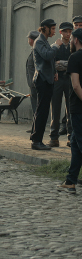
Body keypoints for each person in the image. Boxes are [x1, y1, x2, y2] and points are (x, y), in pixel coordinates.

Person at [59, 28, 82, 193]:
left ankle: (71, 180)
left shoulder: (74, 57)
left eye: (72, 37)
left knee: (80, 143)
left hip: (78, 108)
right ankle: (70, 181)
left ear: (76, 40)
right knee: (74, 144)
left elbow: (75, 85)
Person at [30, 18, 58, 151]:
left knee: (42, 110)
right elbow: (47, 56)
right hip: (42, 80)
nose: (54, 31)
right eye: (52, 28)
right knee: (42, 111)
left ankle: (36, 139)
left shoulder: (44, 41)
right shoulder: (40, 41)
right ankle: (36, 141)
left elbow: (50, 61)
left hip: (47, 79)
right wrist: (55, 46)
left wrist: (55, 72)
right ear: (44, 28)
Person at [51, 22, 73, 147]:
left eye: (70, 32)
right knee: (55, 109)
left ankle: (71, 137)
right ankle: (54, 137)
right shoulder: (55, 46)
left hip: (69, 79)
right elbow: (52, 63)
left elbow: (73, 63)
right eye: (65, 31)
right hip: (57, 80)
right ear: (61, 32)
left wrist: (62, 64)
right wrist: (62, 65)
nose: (68, 34)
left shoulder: (73, 46)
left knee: (70, 109)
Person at [26, 30, 40, 118]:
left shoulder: (36, 51)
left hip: (35, 83)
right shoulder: (35, 50)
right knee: (35, 105)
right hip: (33, 84)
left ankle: (36, 127)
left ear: (31, 40)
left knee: (36, 106)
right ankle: (35, 126)